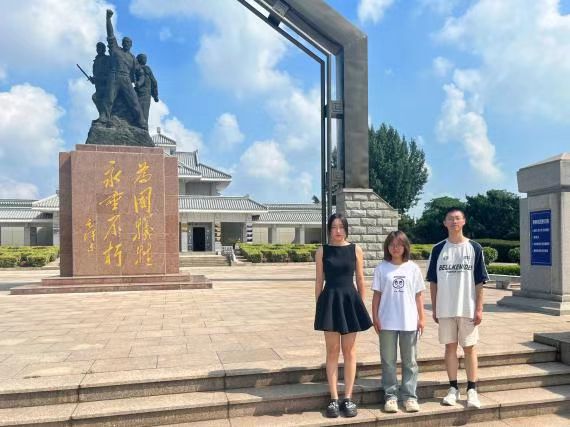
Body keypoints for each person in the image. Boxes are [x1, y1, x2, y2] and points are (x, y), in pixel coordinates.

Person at [426, 207, 488, 409]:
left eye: (458, 218)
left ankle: (472, 389)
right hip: (445, 308)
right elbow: (433, 281)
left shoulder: (474, 248)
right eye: (450, 219)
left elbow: (479, 281)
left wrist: (479, 308)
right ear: (445, 223)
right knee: (450, 348)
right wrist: (435, 307)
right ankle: (453, 388)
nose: (454, 222)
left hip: (467, 308)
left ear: (464, 221)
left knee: (469, 348)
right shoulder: (438, 249)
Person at [314, 213, 373, 418]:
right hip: (330, 301)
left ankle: (348, 397)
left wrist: (360, 305)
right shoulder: (322, 251)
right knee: (332, 351)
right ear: (329, 229)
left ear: (346, 229)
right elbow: (319, 281)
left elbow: (360, 279)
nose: (338, 231)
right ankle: (333, 398)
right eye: (334, 227)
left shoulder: (356, 249)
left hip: (350, 301)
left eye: (341, 227)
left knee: (349, 351)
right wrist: (319, 307)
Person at [372, 231, 425, 413]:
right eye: (392, 244)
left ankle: (410, 396)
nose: (395, 248)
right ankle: (391, 396)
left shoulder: (413, 268)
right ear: (387, 247)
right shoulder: (381, 268)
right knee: (388, 361)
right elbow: (377, 295)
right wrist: (375, 317)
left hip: (409, 321)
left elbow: (418, 295)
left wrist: (421, 318)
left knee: (410, 361)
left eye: (399, 244)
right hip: (387, 321)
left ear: (405, 246)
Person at [102, 9, 147, 130]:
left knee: (134, 101)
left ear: (131, 45)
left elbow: (141, 73)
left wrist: (139, 83)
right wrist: (108, 19)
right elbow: (110, 35)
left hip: (126, 79)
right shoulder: (115, 49)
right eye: (125, 42)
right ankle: (104, 118)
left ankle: (141, 121)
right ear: (122, 43)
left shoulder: (132, 58)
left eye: (129, 42)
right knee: (109, 99)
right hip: (114, 76)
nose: (126, 43)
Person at [135, 53, 159, 127]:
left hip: (139, 91)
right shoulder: (146, 68)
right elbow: (154, 82)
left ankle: (140, 124)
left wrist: (155, 95)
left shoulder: (135, 68)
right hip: (145, 92)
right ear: (139, 59)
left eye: (145, 58)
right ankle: (143, 126)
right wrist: (155, 95)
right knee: (144, 109)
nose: (145, 60)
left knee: (138, 108)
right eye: (144, 58)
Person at [90, 42, 111, 122]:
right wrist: (93, 80)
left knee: (97, 97)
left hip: (106, 85)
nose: (98, 49)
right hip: (98, 85)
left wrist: (98, 79)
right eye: (97, 48)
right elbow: (95, 74)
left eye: (100, 48)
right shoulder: (96, 61)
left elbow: (109, 73)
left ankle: (105, 116)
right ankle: (102, 115)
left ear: (104, 49)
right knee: (97, 98)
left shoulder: (107, 59)